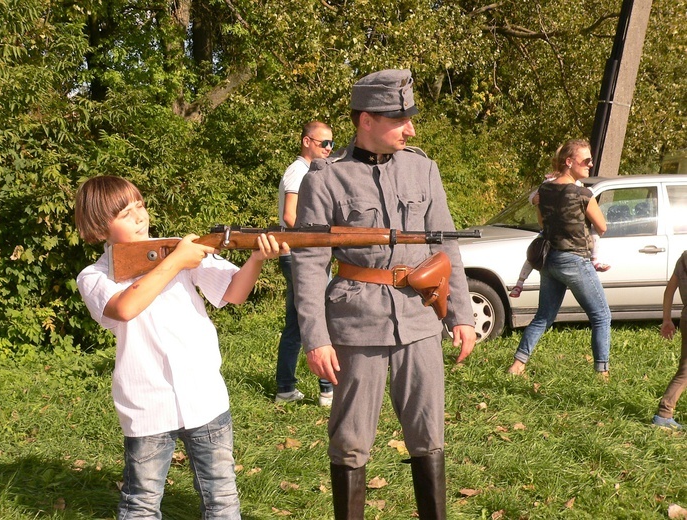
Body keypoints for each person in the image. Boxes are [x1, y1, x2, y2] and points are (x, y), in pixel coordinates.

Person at [291, 69, 476, 519]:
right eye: (399, 118)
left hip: (419, 318)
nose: (410, 128)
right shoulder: (326, 179)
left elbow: (445, 244)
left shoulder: (423, 167)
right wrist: (315, 337)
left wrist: (462, 314)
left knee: (428, 434)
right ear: (366, 120)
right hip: (357, 321)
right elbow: (310, 265)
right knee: (351, 440)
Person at [74, 175, 287, 519]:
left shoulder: (177, 248)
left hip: (204, 395)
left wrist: (258, 258)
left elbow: (234, 293)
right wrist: (175, 260)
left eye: (140, 206)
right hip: (146, 403)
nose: (140, 216)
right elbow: (126, 308)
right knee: (141, 501)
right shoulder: (95, 275)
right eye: (126, 213)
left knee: (222, 496)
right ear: (99, 227)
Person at [507, 139, 611, 378]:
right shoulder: (583, 193)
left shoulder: (544, 190)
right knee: (602, 316)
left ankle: (517, 365)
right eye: (585, 161)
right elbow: (602, 227)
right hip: (575, 260)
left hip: (549, 259)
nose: (590, 164)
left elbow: (542, 222)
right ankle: (602, 373)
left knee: (544, 316)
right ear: (569, 162)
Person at [276, 121, 335, 406]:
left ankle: (285, 389)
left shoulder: (310, 171)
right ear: (306, 142)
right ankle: (328, 390)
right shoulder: (298, 171)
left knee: (296, 325)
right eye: (323, 143)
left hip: (302, 254)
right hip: (301, 256)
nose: (329, 148)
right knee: (319, 318)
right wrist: (319, 237)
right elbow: (290, 216)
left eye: (331, 143)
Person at [509, 173, 610, 299]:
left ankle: (520, 283)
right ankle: (520, 282)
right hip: (569, 249)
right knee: (601, 316)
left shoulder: (561, 187)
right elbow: (602, 227)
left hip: (553, 245)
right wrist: (535, 201)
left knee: (534, 254)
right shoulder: (554, 186)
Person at [651, 251, 687, 431]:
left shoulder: (684, 258)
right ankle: (664, 414)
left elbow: (669, 290)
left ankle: (664, 414)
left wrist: (667, 319)